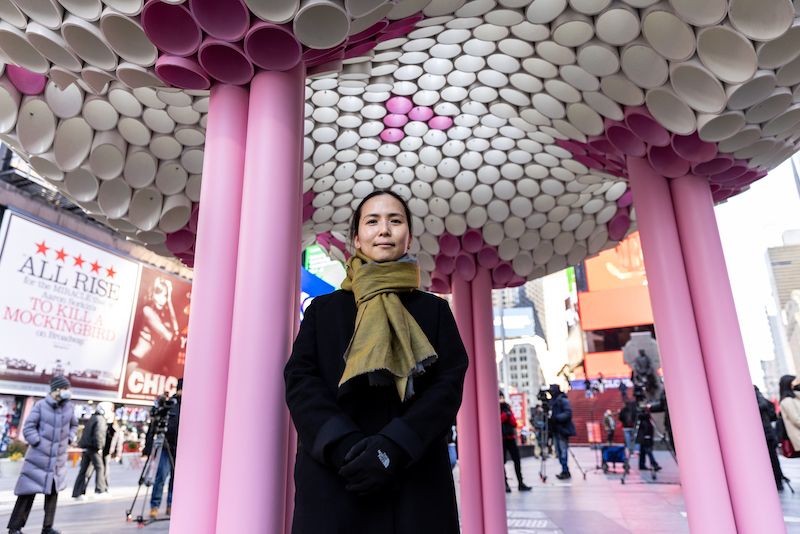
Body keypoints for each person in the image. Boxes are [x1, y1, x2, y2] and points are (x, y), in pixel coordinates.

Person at [284, 190, 468, 534]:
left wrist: (394, 447)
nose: (384, 229)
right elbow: (300, 381)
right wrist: (344, 447)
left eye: (395, 221)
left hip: (414, 483)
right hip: (335, 482)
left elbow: (447, 387)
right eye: (372, 221)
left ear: (408, 237)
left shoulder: (435, 311)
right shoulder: (324, 311)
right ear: (357, 238)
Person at [8, 375, 77, 534]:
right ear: (57, 389)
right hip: (38, 459)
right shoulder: (41, 406)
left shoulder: (69, 407)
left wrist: (69, 438)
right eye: (65, 388)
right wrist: (38, 442)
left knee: (52, 495)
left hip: (57, 461)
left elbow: (74, 426)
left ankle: (47, 528)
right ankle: (14, 528)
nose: (68, 392)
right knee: (26, 494)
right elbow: (28, 428)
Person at [143, 380, 182, 519]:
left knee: (176, 478)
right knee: (160, 475)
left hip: (181, 447)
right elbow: (154, 425)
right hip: (166, 446)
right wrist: (148, 448)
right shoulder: (170, 404)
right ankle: (155, 505)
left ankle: (171, 504)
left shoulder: (189, 404)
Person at [72, 403, 108, 499]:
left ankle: (78, 492)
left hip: (87, 447)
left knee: (84, 470)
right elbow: (98, 435)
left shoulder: (92, 418)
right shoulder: (100, 420)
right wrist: (99, 447)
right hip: (94, 448)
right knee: (100, 468)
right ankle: (100, 490)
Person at [500, 391, 532, 493]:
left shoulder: (508, 408)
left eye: (502, 397)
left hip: (511, 438)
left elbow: (514, 423)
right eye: (499, 397)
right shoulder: (495, 408)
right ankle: (504, 484)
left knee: (517, 460)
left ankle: (520, 483)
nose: (501, 399)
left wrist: (508, 415)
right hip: (501, 439)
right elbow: (498, 421)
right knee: (502, 463)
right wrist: (505, 415)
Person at [756, 385, 786, 491]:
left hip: (766, 434)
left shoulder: (755, 394)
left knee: (773, 459)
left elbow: (763, 405)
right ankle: (777, 480)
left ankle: (778, 481)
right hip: (766, 433)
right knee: (772, 459)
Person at [548, 384, 575, 480]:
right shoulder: (551, 402)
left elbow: (568, 413)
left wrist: (557, 418)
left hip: (562, 430)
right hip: (554, 430)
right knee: (558, 453)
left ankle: (565, 470)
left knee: (563, 451)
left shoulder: (562, 400)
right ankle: (565, 470)